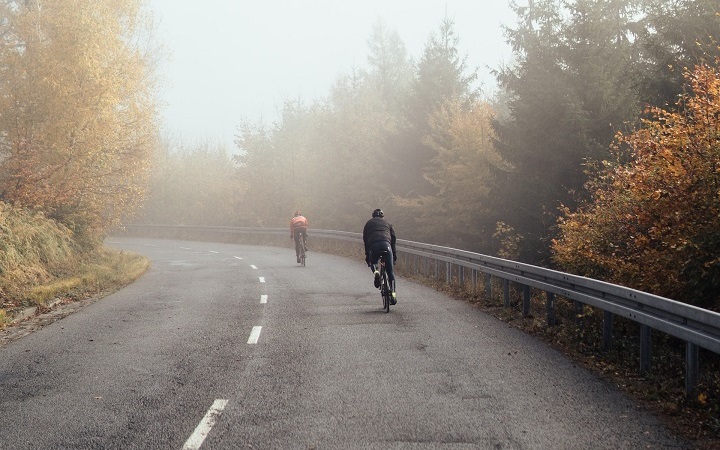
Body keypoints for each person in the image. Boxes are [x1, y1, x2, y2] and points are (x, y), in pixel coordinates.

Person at [363, 208, 397, 303]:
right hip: (386, 245)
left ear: (373, 216)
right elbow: (393, 239)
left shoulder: (368, 223)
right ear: (382, 216)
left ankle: (376, 273)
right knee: (390, 272)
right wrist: (394, 254)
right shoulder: (388, 223)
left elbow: (365, 240)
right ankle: (393, 294)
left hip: (374, 245)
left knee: (373, 262)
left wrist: (367, 255)